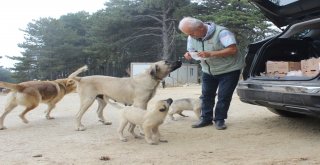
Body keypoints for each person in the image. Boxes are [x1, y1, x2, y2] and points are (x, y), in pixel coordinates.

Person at [178, 17, 244, 130]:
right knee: (206, 96)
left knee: (223, 96)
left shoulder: (222, 32)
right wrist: (189, 54)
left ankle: (219, 119)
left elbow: (233, 50)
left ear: (200, 27)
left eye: (191, 33)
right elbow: (192, 50)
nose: (190, 36)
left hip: (229, 69)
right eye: (188, 33)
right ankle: (206, 119)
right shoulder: (191, 37)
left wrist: (211, 54)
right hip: (208, 70)